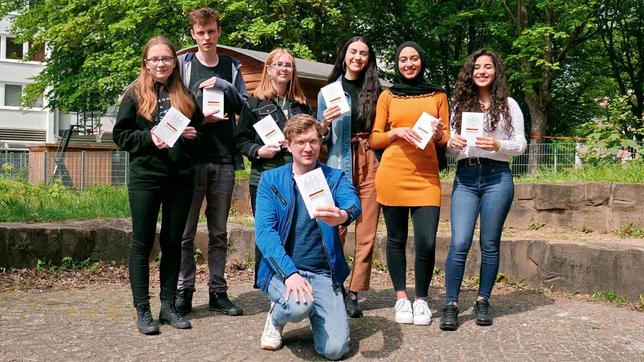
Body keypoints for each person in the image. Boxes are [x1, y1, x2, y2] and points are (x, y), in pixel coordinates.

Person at [113, 36, 202, 334]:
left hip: (180, 179)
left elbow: (200, 133)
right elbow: (121, 135)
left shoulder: (186, 95)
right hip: (146, 177)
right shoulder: (134, 95)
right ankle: (142, 310)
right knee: (142, 242)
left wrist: (192, 135)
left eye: (166, 58)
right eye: (155, 59)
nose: (161, 63)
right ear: (146, 63)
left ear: (174, 61)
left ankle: (168, 306)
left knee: (173, 242)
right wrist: (148, 137)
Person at [254, 114, 361, 360]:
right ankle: (276, 317)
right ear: (288, 145)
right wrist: (289, 274)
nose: (308, 148)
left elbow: (352, 201)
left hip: (322, 272)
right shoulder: (271, 181)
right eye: (300, 142)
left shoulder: (333, 177)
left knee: (335, 351)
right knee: (296, 306)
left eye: (313, 141)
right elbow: (264, 233)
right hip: (283, 271)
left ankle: (316, 311)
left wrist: (342, 215)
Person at [440, 50, 526, 331]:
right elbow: (452, 151)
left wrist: (498, 145)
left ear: (495, 71)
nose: (482, 71)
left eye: (488, 66)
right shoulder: (460, 105)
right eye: (477, 67)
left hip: (497, 177)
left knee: (490, 244)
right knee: (460, 242)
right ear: (470, 72)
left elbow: (521, 143)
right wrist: (454, 143)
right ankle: (451, 304)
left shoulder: (510, 105)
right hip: (466, 176)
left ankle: (483, 300)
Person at [370, 41, 449, 326]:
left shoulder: (439, 94)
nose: (409, 64)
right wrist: (397, 132)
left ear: (421, 61)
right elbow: (375, 138)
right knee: (396, 239)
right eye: (403, 59)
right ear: (397, 63)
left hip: (426, 177)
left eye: (414, 58)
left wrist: (442, 133)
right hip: (392, 174)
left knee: (426, 242)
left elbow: (445, 138)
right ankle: (401, 298)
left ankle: (422, 300)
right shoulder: (387, 96)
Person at [175, 7, 248, 316]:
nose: (206, 37)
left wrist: (224, 86)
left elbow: (244, 105)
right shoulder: (184, 65)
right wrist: (197, 111)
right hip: (190, 161)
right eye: (200, 32)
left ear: (219, 32)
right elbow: (173, 103)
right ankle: (184, 291)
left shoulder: (231, 67)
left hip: (223, 159)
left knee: (219, 232)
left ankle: (218, 292)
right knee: (185, 232)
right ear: (193, 34)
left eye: (211, 31)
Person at [234, 48, 313, 288]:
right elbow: (240, 140)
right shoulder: (253, 102)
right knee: (268, 231)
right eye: (278, 64)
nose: (283, 69)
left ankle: (294, 277)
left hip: (298, 177)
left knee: (296, 229)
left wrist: (324, 128)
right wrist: (259, 151)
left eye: (288, 65)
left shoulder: (301, 104)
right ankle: (267, 282)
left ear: (293, 71)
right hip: (265, 177)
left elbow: (315, 136)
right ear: (268, 69)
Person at [317, 36, 381, 318]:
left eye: (363, 53)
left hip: (371, 160)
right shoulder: (327, 91)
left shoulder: (377, 91)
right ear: (344, 55)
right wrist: (324, 123)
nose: (358, 57)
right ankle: (334, 284)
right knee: (336, 227)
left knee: (366, 230)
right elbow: (322, 137)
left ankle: (355, 291)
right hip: (339, 161)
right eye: (353, 52)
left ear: (369, 59)